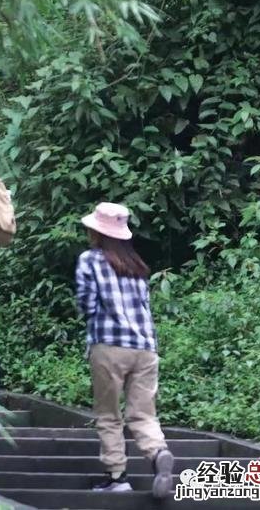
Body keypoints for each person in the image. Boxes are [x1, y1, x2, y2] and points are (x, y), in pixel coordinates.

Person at [75, 202, 174, 498]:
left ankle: (117, 477)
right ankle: (158, 454)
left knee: (109, 414)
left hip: (109, 345)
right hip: (145, 348)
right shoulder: (137, 265)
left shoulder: (90, 260)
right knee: (143, 413)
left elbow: (87, 304)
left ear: (96, 232)